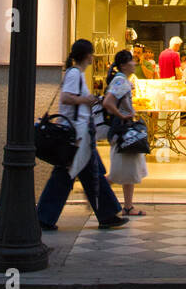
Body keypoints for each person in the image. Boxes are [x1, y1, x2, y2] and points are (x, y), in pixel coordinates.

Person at [36, 39, 129, 231]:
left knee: (80, 175)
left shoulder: (75, 74)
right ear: (87, 56)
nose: (93, 57)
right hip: (77, 135)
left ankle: (45, 217)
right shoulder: (74, 74)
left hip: (81, 135)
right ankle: (107, 215)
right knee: (83, 175)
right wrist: (87, 99)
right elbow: (66, 98)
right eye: (92, 54)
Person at [103, 49, 147, 216]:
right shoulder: (121, 81)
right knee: (118, 171)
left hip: (123, 130)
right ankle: (96, 193)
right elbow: (108, 102)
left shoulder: (122, 80)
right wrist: (122, 114)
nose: (134, 63)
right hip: (122, 130)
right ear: (123, 65)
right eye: (132, 61)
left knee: (128, 168)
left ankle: (128, 206)